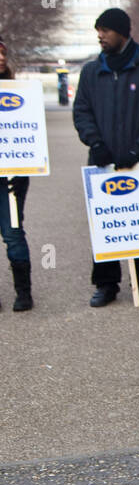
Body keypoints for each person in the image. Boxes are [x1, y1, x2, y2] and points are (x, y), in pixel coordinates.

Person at [72, 8, 139, 307]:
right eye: (98, 30)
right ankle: (106, 284)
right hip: (102, 160)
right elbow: (82, 111)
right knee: (106, 223)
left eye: (105, 30)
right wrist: (96, 143)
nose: (100, 36)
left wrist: (137, 149)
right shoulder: (91, 71)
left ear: (122, 32)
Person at [0, 34, 32, 312]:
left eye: (2, 52)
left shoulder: (18, 93)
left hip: (11, 176)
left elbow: (28, 138)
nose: (1, 57)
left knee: (12, 232)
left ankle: (24, 293)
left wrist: (22, 170)